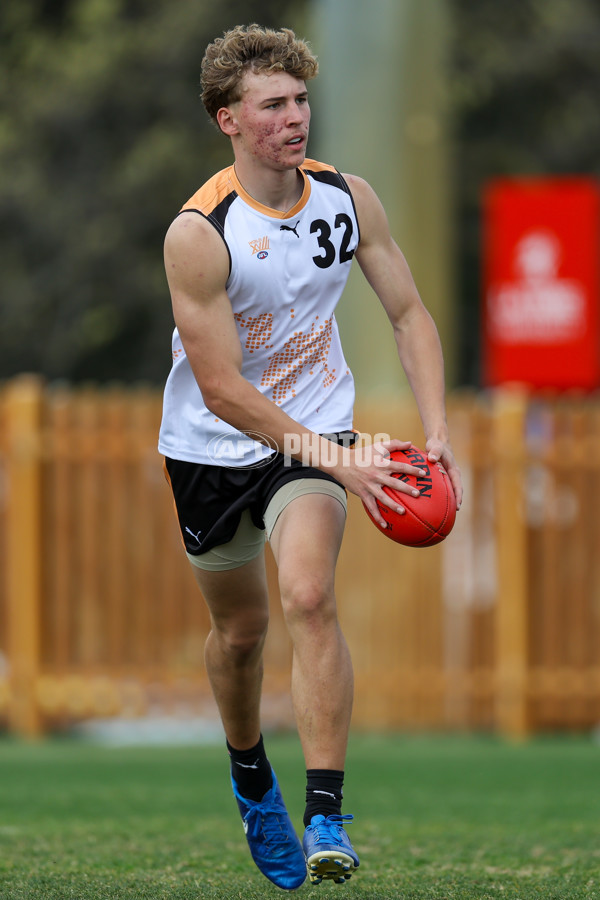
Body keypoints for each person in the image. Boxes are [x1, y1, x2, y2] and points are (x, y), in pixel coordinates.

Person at [158, 23, 462, 890]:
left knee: (308, 594)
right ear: (229, 119)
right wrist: (347, 463)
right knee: (240, 633)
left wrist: (434, 430)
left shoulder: (347, 197)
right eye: (272, 106)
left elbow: (409, 316)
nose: (295, 119)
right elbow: (220, 389)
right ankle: (251, 773)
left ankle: (325, 810)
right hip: (211, 448)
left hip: (317, 428)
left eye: (300, 100)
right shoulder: (200, 232)